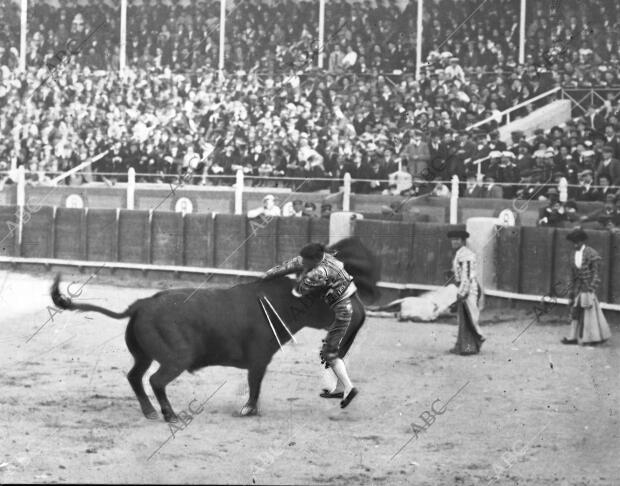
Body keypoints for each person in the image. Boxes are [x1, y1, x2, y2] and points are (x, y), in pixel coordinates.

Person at [262, 243, 360, 408]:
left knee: (329, 352)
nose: (303, 263)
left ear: (315, 260)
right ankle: (341, 387)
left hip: (343, 309)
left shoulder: (319, 273)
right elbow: (293, 264)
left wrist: (297, 277)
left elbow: (298, 291)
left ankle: (349, 388)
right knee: (329, 351)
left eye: (307, 261)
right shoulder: (327, 257)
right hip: (346, 300)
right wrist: (269, 274)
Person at [562, 229, 611, 346]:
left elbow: (596, 273)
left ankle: (591, 338)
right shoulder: (573, 253)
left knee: (589, 311)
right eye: (573, 242)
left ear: (582, 242)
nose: (575, 245)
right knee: (575, 311)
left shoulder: (591, 253)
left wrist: (591, 288)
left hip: (587, 287)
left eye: (577, 242)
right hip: (577, 287)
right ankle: (573, 337)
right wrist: (571, 289)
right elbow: (572, 273)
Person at [447, 230, 485, 355]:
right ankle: (461, 346)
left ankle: (468, 348)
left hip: (468, 289)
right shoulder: (460, 253)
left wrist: (462, 292)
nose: (454, 241)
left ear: (463, 241)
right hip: (465, 287)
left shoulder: (466, 254)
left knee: (469, 319)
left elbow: (467, 276)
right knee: (464, 318)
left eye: (457, 239)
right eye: (453, 239)